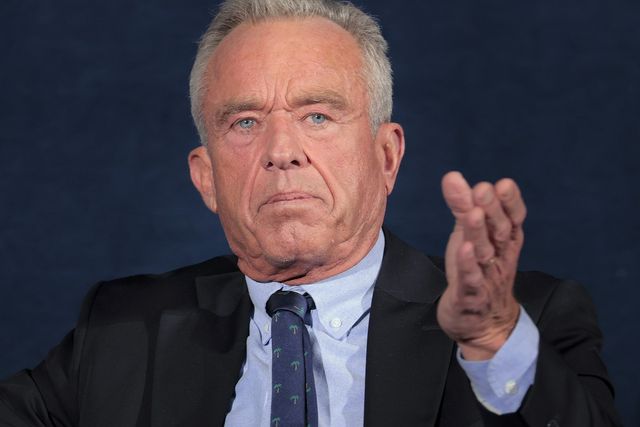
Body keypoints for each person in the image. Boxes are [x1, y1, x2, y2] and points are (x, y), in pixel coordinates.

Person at [0, 0, 621, 426]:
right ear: (206, 177)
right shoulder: (122, 329)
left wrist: (491, 342)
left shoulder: (521, 321)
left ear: (385, 156)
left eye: (317, 116)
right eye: (245, 122)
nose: (281, 151)